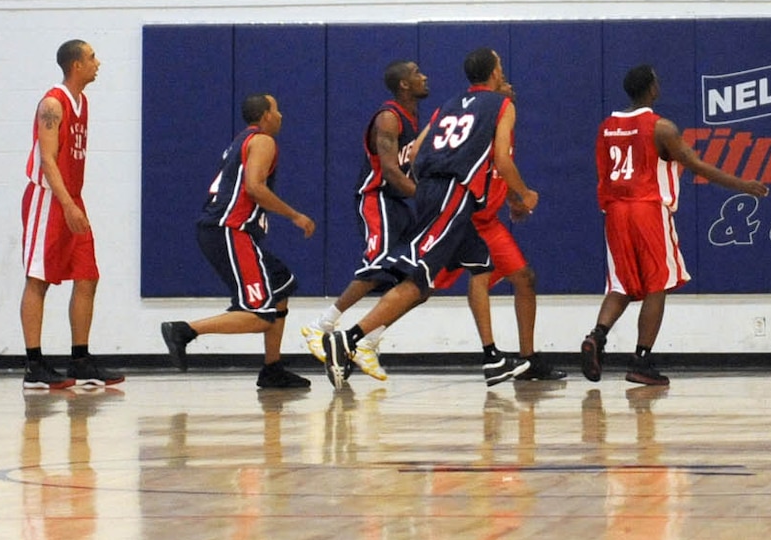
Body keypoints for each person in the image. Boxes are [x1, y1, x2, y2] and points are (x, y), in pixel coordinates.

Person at [322, 48, 539, 387]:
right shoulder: (501, 105)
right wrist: (525, 195)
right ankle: (348, 339)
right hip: (452, 194)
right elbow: (503, 160)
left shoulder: (449, 104)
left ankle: (492, 357)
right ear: (495, 73)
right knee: (418, 279)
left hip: (441, 193)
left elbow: (416, 152)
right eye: (500, 66)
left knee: (480, 264)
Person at [580, 65, 770, 387]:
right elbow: (696, 165)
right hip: (648, 210)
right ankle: (641, 361)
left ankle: (597, 336)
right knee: (657, 284)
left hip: (615, 212)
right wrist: (743, 185)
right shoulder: (661, 127)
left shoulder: (607, 126)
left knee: (622, 284)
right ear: (652, 89)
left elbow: (602, 174)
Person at [161, 93, 317, 390]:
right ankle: (184, 331)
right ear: (265, 116)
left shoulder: (240, 140)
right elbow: (255, 188)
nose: (281, 115)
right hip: (230, 230)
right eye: (277, 109)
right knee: (260, 315)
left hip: (224, 230)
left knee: (281, 284)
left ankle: (272, 368)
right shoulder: (263, 141)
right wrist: (295, 215)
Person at [302, 60, 429, 385]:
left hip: (398, 204)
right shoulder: (388, 117)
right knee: (379, 267)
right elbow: (389, 171)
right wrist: (426, 197)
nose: (423, 76)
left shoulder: (414, 119)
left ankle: (365, 342)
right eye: (416, 73)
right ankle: (322, 325)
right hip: (378, 199)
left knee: (419, 284)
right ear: (403, 84)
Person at [21, 40, 121, 391]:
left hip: (71, 198)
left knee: (87, 275)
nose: (98, 62)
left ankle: (80, 359)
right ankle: (34, 365)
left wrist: (73, 202)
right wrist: (66, 203)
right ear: (76, 65)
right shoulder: (53, 103)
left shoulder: (83, 103)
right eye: (92, 56)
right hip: (49, 199)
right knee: (39, 279)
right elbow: (48, 161)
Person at [466, 76, 562, 384]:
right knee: (419, 290)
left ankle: (528, 359)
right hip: (464, 218)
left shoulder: (502, 124)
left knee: (524, 278)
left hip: (488, 221)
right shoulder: (483, 120)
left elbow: (495, 169)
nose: (512, 86)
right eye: (505, 82)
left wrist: (510, 199)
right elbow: (496, 164)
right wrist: (525, 195)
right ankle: (359, 338)